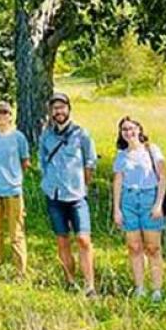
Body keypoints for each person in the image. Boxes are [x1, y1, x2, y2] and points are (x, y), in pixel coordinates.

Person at [38, 92, 98, 296]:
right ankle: (70, 281)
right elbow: (42, 160)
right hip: (54, 195)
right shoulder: (46, 135)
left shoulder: (81, 134)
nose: (59, 112)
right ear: (51, 112)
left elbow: (90, 162)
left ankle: (90, 286)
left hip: (76, 196)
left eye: (62, 107)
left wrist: (84, 184)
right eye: (55, 108)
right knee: (62, 240)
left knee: (83, 239)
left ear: (68, 109)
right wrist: (47, 182)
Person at [112, 116, 166, 301]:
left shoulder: (152, 150)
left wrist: (158, 204)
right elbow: (118, 181)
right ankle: (139, 287)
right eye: (124, 129)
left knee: (153, 247)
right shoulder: (121, 155)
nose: (129, 132)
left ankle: (157, 289)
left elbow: (163, 177)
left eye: (132, 128)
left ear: (139, 129)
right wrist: (116, 209)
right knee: (134, 247)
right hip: (128, 201)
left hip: (149, 198)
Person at [0, 100, 30, 275]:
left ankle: (20, 271)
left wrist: (14, 178)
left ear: (11, 116)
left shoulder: (19, 137)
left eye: (5, 112)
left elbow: (25, 162)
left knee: (16, 233)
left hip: (13, 190)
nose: (1, 116)